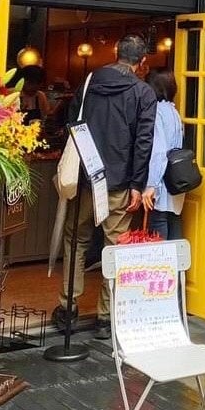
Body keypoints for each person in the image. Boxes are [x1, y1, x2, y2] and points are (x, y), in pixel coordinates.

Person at [53, 34, 157, 340]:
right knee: (115, 247)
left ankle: (68, 307)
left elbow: (72, 123)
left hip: (86, 176)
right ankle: (105, 316)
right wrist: (137, 183)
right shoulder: (143, 92)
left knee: (76, 240)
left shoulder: (89, 82)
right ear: (142, 62)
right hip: (119, 182)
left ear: (115, 52)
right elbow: (144, 141)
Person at [142, 69, 185, 240]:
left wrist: (151, 184)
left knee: (158, 227)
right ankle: (179, 260)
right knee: (174, 224)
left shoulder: (156, 111)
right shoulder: (173, 111)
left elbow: (158, 152)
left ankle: (162, 260)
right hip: (175, 180)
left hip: (161, 181)